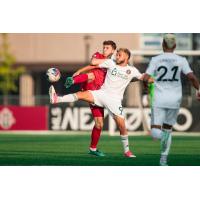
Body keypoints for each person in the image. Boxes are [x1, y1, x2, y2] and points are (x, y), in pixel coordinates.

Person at [49, 48, 152, 157]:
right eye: (117, 54)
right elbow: (93, 64)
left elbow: (144, 78)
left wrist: (156, 78)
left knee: (122, 126)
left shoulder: (132, 71)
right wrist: (97, 61)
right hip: (102, 93)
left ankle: (127, 151)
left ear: (127, 57)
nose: (117, 56)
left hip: (115, 100)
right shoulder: (110, 62)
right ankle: (57, 99)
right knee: (80, 94)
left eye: (120, 55)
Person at [143, 33, 200, 166]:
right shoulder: (181, 60)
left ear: (163, 44)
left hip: (159, 98)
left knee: (155, 133)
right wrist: (198, 90)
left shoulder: (156, 59)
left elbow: (146, 77)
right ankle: (163, 159)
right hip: (174, 98)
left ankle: (161, 136)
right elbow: (192, 77)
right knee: (168, 129)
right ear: (175, 45)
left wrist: (146, 87)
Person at [64, 40, 117, 157]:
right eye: (104, 47)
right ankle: (72, 81)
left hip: (101, 94)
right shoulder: (98, 55)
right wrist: (79, 71)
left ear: (113, 50)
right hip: (90, 86)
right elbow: (92, 63)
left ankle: (93, 149)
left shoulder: (114, 64)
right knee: (93, 74)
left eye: (107, 48)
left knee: (99, 124)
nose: (104, 49)